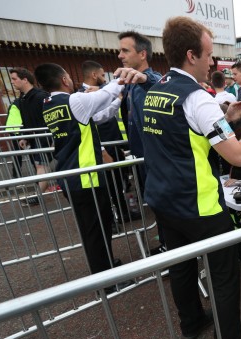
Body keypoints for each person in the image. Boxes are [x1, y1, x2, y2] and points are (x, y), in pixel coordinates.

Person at [141, 16, 241, 339]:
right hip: (200, 206)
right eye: (210, 55)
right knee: (225, 281)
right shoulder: (197, 97)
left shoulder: (157, 88)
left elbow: (186, 134)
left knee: (181, 266)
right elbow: (239, 156)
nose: (214, 63)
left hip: (163, 200)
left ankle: (192, 323)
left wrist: (225, 116)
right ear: (192, 54)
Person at [34, 63, 131, 289]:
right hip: (85, 177)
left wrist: (118, 99)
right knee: (95, 230)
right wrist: (121, 80)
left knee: (97, 227)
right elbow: (104, 94)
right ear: (65, 80)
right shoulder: (73, 101)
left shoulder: (50, 105)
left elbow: (100, 116)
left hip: (73, 176)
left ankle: (106, 266)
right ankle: (105, 281)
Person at [117, 31, 165, 253]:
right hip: (141, 156)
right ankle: (167, 241)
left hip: (155, 158)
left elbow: (157, 82)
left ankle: (169, 246)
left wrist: (146, 79)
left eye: (125, 50)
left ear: (143, 53)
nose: (120, 55)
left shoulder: (149, 80)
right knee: (155, 203)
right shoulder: (130, 84)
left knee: (163, 203)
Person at [79, 60, 139, 224]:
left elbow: (106, 114)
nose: (104, 78)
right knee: (108, 185)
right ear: (94, 74)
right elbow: (92, 127)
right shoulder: (83, 96)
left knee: (119, 181)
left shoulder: (99, 92)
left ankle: (123, 211)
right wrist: (104, 150)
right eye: (101, 74)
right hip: (103, 149)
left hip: (114, 144)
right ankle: (115, 216)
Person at [9, 68, 51, 203]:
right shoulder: (22, 98)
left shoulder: (41, 96)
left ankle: (38, 196)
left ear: (25, 79)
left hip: (45, 137)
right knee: (41, 166)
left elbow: (48, 118)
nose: (12, 82)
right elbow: (26, 120)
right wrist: (24, 136)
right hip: (34, 138)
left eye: (14, 79)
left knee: (41, 166)